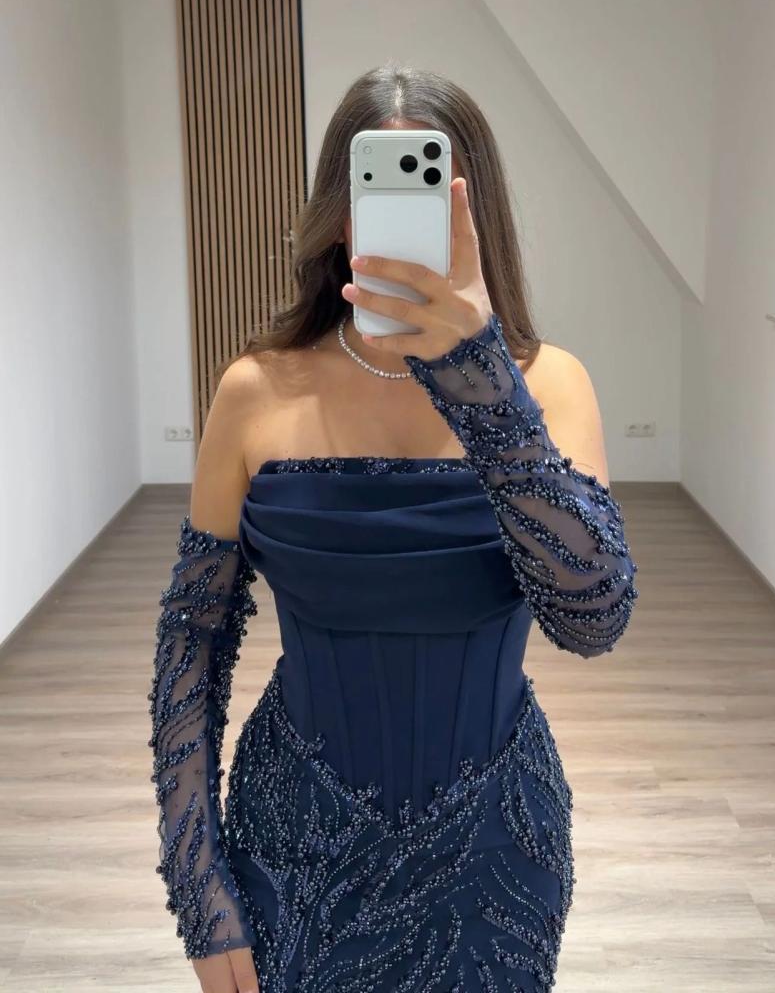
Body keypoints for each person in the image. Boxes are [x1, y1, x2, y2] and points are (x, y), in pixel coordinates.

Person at [148, 64, 639, 993]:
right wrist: (197, 884)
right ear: (340, 218)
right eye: (374, 193)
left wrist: (481, 382)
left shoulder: (551, 386)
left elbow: (593, 618)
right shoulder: (257, 391)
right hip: (295, 841)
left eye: (432, 195)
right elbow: (191, 640)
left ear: (476, 218)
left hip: (496, 849)